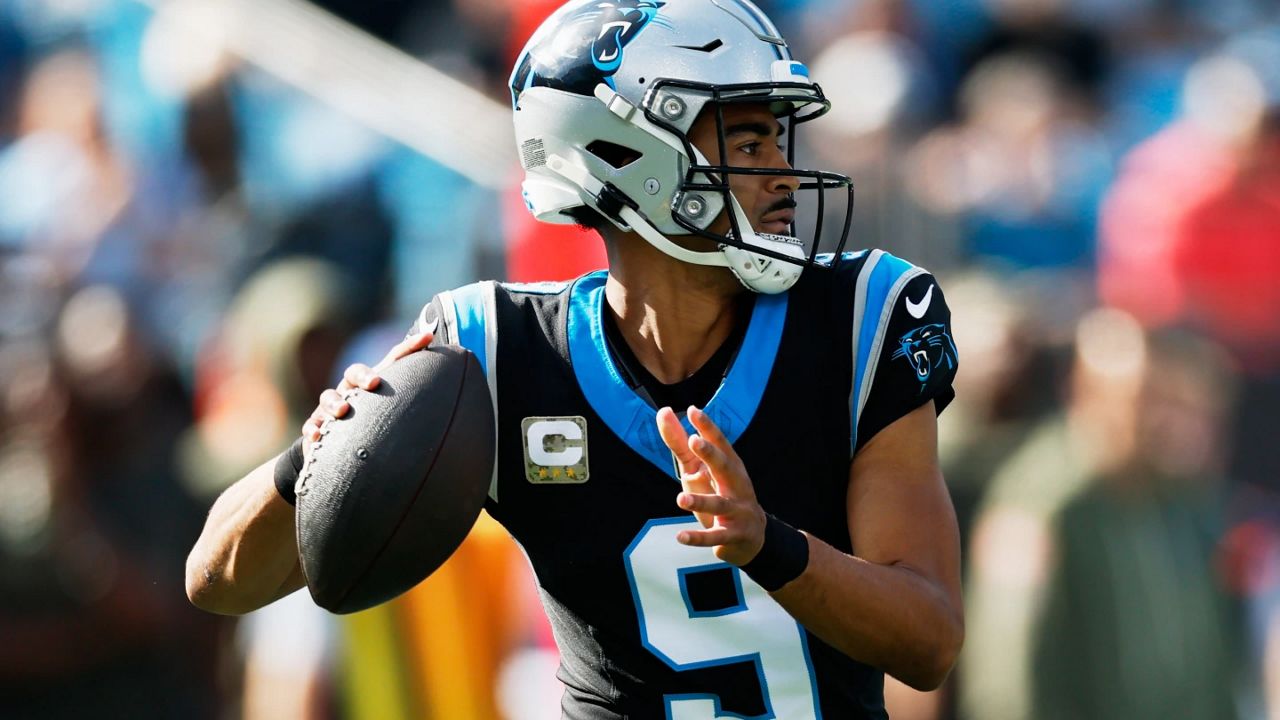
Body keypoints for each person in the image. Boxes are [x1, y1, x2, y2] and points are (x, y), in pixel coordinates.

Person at [186, 1, 964, 717]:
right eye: (750, 140)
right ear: (631, 156)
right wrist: (315, 458)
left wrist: (769, 544)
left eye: (779, 138)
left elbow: (928, 641)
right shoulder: (491, 350)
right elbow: (216, 581)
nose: (783, 173)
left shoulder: (864, 317)